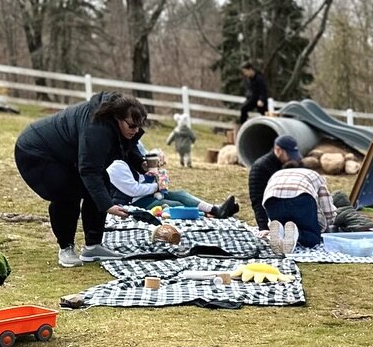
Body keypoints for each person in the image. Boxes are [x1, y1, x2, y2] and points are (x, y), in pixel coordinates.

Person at [14, 91, 145, 267]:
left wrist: (143, 164)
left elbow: (127, 146)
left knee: (101, 183)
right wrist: (108, 205)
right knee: (67, 192)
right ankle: (66, 248)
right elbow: (89, 170)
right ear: (117, 118)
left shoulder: (120, 123)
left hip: (64, 155)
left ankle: (93, 246)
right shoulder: (97, 128)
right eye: (132, 126)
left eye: (139, 126)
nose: (136, 130)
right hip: (35, 152)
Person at [106, 158, 238, 219]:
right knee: (175, 204)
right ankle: (208, 214)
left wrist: (154, 175)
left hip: (147, 195)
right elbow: (133, 190)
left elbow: (140, 181)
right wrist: (157, 186)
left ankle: (215, 209)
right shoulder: (116, 166)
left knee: (181, 194)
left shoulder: (128, 163)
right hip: (135, 201)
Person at [261, 164, 334, 251]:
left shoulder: (277, 174)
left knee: (284, 224)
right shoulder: (316, 176)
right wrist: (329, 224)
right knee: (313, 237)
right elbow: (325, 204)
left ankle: (281, 231)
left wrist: (269, 222)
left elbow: (267, 193)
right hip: (300, 198)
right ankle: (298, 234)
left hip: (271, 200)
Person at [248, 135, 301, 231]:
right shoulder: (260, 168)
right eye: (289, 154)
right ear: (278, 150)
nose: (292, 158)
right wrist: (264, 227)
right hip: (272, 215)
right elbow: (258, 200)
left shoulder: (289, 164)